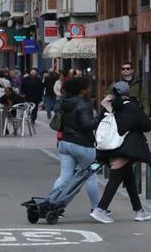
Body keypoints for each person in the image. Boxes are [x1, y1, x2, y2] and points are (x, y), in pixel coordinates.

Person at [90, 81, 151, 224]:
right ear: (128, 93)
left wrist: (105, 105)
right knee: (115, 180)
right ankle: (100, 209)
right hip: (124, 149)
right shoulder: (132, 107)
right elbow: (147, 125)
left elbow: (100, 124)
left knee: (129, 180)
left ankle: (139, 211)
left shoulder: (109, 107)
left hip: (109, 148)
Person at [51, 76, 102, 215]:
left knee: (64, 176)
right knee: (90, 176)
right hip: (82, 145)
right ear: (82, 90)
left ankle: (52, 203)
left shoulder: (64, 101)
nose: (89, 89)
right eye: (87, 87)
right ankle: (96, 207)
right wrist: (100, 118)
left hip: (65, 143)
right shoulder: (82, 104)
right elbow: (87, 125)